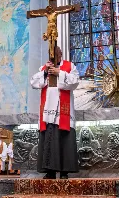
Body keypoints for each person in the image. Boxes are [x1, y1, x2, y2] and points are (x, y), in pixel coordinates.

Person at [30, 46, 79, 179]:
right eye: (52, 54)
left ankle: (64, 172)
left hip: (63, 112)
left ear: (61, 54)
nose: (55, 56)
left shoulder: (69, 66)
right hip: (47, 112)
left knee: (64, 139)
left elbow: (75, 82)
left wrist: (59, 73)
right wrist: (45, 72)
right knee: (49, 140)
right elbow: (34, 82)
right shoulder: (44, 68)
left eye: (57, 54)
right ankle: (50, 171)